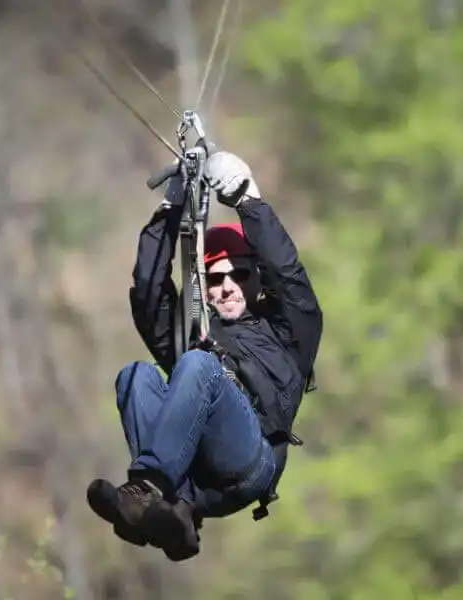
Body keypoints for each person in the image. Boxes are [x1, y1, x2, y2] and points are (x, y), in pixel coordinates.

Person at [86, 150, 323, 561]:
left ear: (256, 278)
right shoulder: (194, 328)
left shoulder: (286, 332)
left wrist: (248, 201)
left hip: (250, 459)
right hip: (194, 476)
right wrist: (169, 211)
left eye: (239, 274)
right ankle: (170, 515)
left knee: (197, 364)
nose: (227, 287)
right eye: (215, 277)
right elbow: (148, 293)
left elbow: (291, 279)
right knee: (135, 375)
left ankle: (146, 492)